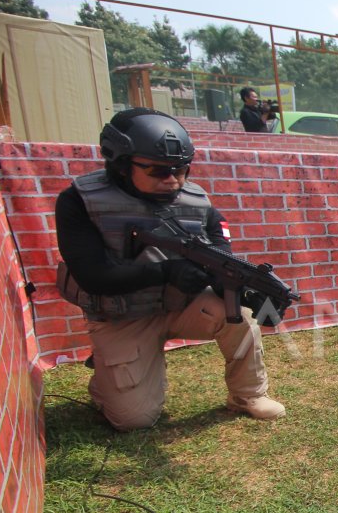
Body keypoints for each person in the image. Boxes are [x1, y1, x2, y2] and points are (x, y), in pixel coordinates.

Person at [53, 108, 286, 430]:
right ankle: (106, 375)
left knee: (238, 314)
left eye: (181, 170)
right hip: (123, 316)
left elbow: (222, 255)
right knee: (133, 420)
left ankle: (248, 395)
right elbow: (93, 276)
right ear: (121, 163)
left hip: (182, 304)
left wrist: (241, 288)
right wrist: (166, 272)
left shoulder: (197, 201)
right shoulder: (80, 201)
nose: (173, 179)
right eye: (159, 171)